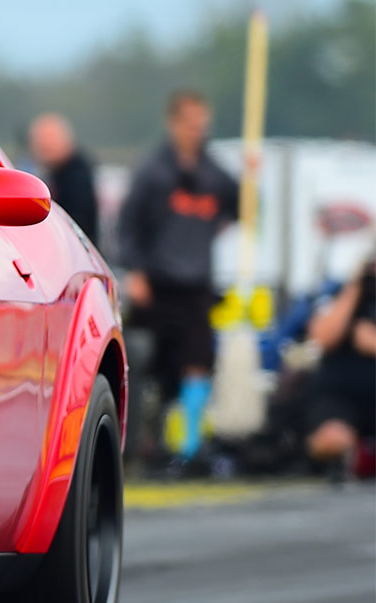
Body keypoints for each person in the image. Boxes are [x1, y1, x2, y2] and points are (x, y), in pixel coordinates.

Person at [117, 89, 239, 464]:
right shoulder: (152, 171)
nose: (196, 131)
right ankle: (142, 441)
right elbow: (127, 225)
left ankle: (189, 446)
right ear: (174, 124)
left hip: (196, 284)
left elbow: (239, 208)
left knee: (198, 361)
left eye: (202, 125)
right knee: (150, 362)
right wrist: (134, 271)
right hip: (156, 283)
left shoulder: (215, 174)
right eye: (190, 124)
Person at [305, 258, 376, 481]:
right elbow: (321, 338)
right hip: (342, 397)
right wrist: (356, 286)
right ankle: (353, 456)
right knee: (330, 440)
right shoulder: (343, 291)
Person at [28, 113, 99, 244]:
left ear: (66, 140)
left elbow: (76, 219)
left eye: (49, 139)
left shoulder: (76, 176)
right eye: (39, 140)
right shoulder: (54, 172)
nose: (43, 145)